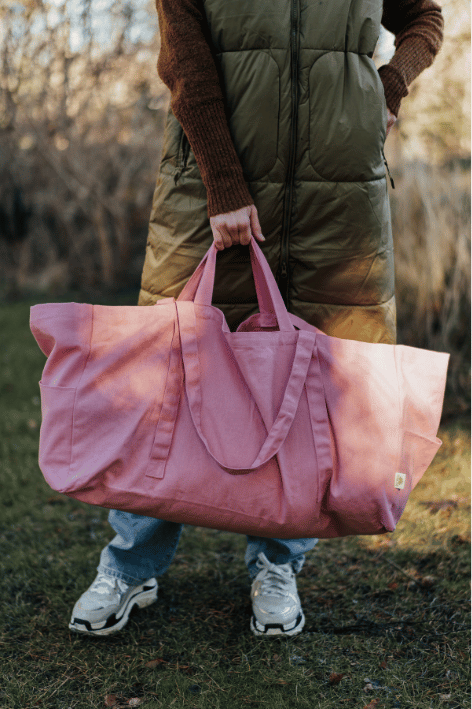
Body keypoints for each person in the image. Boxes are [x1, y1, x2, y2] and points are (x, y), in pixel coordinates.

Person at [69, 0, 444, 637]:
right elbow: (183, 58)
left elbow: (425, 18)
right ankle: (130, 566)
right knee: (168, 370)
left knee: (318, 379)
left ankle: (278, 564)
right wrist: (222, 183)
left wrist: (390, 82)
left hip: (338, 196)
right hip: (211, 187)